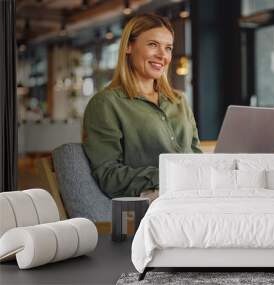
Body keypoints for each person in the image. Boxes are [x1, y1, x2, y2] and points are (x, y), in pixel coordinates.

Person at [83, 14, 202, 201]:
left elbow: (196, 155)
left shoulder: (179, 100)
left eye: (168, 48)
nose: (163, 56)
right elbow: (108, 175)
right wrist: (167, 176)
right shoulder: (106, 104)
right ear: (129, 46)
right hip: (152, 202)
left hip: (192, 192)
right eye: (153, 45)